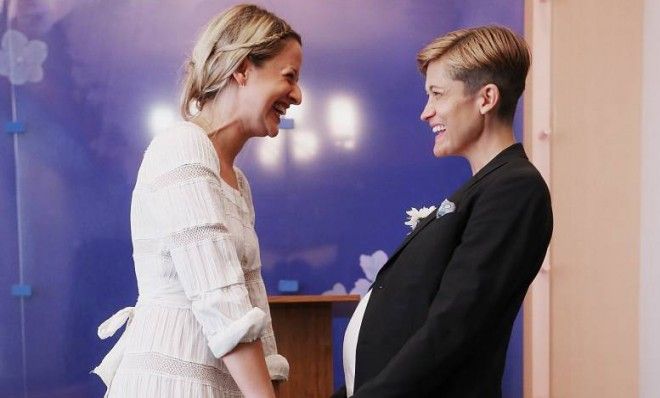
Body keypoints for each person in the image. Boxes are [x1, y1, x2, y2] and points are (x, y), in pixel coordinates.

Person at [92, 4, 303, 397]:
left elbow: (250, 298)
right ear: (242, 69)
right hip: (172, 379)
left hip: (222, 381)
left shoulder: (237, 180)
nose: (298, 95)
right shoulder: (182, 145)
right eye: (289, 77)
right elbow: (218, 295)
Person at [334, 26, 552, 397]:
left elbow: (456, 324)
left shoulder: (515, 188)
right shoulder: (485, 187)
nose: (426, 112)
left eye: (437, 94)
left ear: (486, 99)